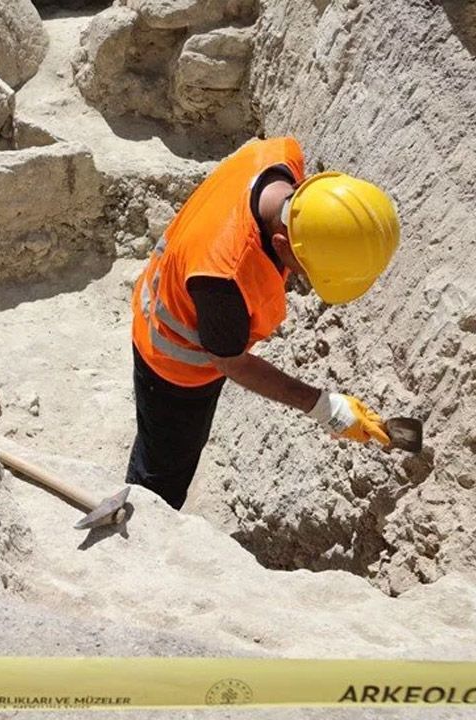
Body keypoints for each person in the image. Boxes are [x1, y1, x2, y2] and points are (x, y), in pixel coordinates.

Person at [126, 136, 401, 509]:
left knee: (162, 441)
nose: (299, 278)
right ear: (282, 244)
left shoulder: (278, 156)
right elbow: (232, 361)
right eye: (305, 270)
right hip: (172, 363)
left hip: (182, 295)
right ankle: (142, 528)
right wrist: (324, 407)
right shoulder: (223, 278)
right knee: (164, 470)